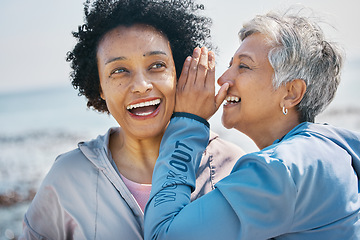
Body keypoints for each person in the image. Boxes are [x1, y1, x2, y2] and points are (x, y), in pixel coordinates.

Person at [19, 0, 245, 239]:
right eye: (119, 70)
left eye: (157, 65)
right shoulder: (66, 178)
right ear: (100, 87)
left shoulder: (232, 167)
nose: (141, 86)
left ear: (178, 73)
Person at [144, 9, 360, 240]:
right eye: (230, 64)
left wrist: (187, 122)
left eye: (244, 66)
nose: (223, 78)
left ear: (291, 93)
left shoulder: (280, 171)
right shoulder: (334, 148)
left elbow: (162, 234)